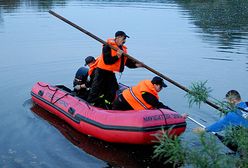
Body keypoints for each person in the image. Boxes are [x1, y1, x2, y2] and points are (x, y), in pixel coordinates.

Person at [87, 31, 142, 109]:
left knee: (113, 89)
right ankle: (90, 104)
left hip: (110, 72)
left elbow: (128, 64)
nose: (125, 41)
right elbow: (107, 61)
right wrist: (117, 56)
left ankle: (107, 104)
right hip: (101, 71)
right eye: (123, 38)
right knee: (96, 88)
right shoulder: (107, 46)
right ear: (117, 38)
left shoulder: (122, 49)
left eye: (125, 39)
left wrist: (138, 65)